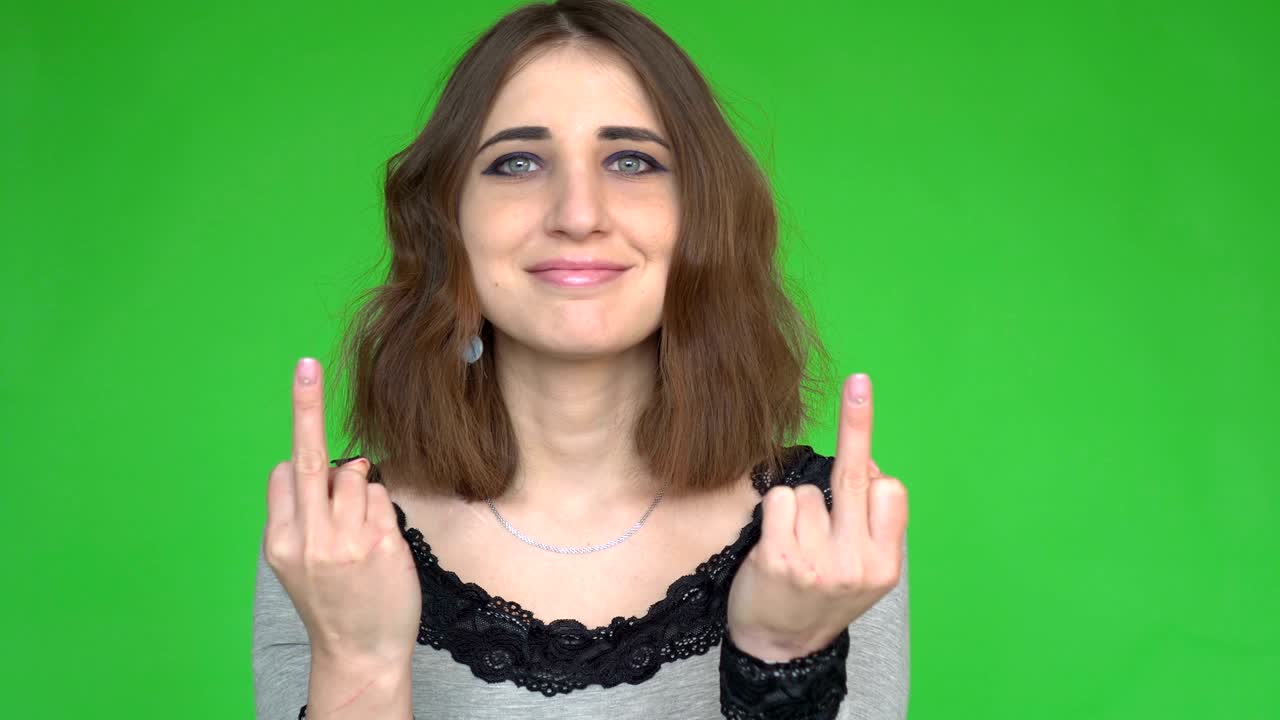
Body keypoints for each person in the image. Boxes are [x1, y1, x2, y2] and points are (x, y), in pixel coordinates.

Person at [252, 0, 910, 717]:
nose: (577, 212)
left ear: (701, 212)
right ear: (446, 221)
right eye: (517, 162)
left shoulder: (828, 536)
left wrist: (781, 664)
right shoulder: (333, 541)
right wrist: (360, 664)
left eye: (632, 160)